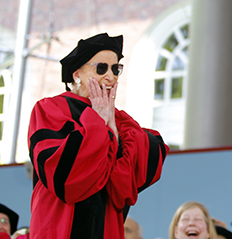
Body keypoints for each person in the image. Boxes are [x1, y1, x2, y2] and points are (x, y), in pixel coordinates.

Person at [27, 33, 169, 239]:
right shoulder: (52, 108)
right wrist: (100, 125)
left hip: (105, 225)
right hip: (58, 225)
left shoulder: (120, 120)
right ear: (77, 74)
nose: (110, 77)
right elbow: (65, 176)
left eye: (115, 69)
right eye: (101, 68)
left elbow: (127, 182)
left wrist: (113, 132)